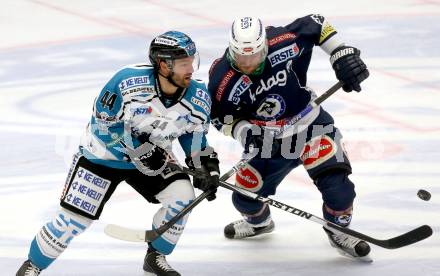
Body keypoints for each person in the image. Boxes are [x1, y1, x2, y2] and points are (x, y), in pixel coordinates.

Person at [16, 31, 220, 276]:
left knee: (183, 196)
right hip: (102, 158)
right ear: (163, 65)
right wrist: (141, 150)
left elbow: (192, 134)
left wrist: (206, 165)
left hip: (153, 159)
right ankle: (33, 266)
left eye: (191, 61)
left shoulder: (198, 96)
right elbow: (103, 126)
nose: (190, 69)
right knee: (73, 221)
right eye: (183, 63)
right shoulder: (126, 81)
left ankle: (156, 258)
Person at [208, 15, 371, 261]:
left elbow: (317, 23)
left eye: (255, 55)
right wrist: (247, 132)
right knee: (244, 199)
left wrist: (341, 52)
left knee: (340, 192)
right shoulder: (221, 79)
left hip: (311, 126)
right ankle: (260, 223)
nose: (249, 63)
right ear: (231, 50)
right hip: (269, 142)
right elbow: (220, 118)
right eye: (242, 56)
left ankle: (337, 229)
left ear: (265, 45)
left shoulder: (282, 40)